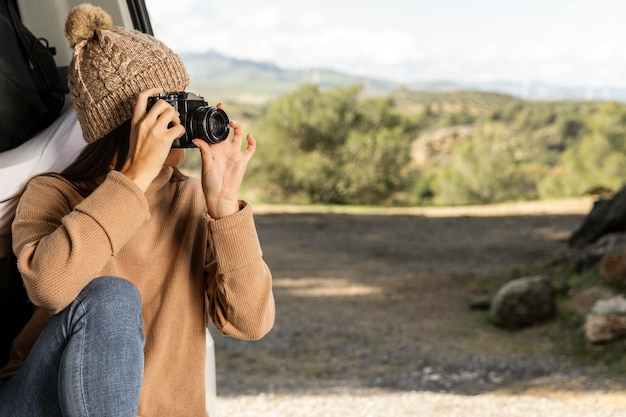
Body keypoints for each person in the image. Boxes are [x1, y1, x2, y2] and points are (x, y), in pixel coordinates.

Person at [0, 3, 275, 417]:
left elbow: (250, 322)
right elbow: (50, 287)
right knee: (111, 296)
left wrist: (223, 208)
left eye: (184, 100)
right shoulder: (53, 193)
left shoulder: (191, 201)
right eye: (167, 108)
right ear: (125, 125)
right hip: (38, 403)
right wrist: (133, 179)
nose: (182, 120)